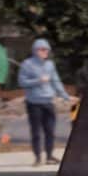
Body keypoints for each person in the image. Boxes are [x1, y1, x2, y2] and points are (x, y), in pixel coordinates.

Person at [18, 38, 71, 167]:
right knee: (36, 131)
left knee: (50, 131)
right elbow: (22, 82)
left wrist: (65, 96)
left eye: (47, 49)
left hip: (48, 101)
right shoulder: (27, 64)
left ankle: (49, 156)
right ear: (35, 50)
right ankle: (37, 157)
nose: (45, 51)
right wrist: (38, 80)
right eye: (42, 49)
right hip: (34, 103)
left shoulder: (50, 65)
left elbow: (55, 81)